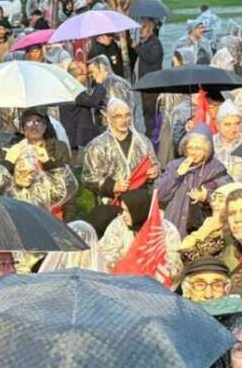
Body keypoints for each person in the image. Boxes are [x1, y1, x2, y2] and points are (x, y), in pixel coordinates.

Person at [81, 99, 159, 233]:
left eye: (127, 115)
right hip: (112, 205)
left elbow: (154, 163)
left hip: (139, 202)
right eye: (118, 116)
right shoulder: (97, 145)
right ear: (109, 119)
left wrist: (155, 171)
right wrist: (113, 185)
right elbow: (88, 177)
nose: (124, 120)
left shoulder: (143, 141)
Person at [156, 126, 230, 238]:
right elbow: (159, 194)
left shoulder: (216, 168)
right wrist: (177, 174)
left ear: (208, 149)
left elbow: (229, 195)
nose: (193, 152)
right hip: (173, 225)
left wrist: (207, 196)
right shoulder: (174, 165)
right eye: (190, 148)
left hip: (202, 229)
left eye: (198, 148)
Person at [98, 188, 182, 278]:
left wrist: (152, 274)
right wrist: (131, 271)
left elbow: (175, 265)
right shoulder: (118, 224)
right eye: (122, 210)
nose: (123, 215)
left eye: (127, 211)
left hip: (155, 280)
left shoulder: (167, 230)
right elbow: (107, 257)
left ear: (138, 210)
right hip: (122, 278)